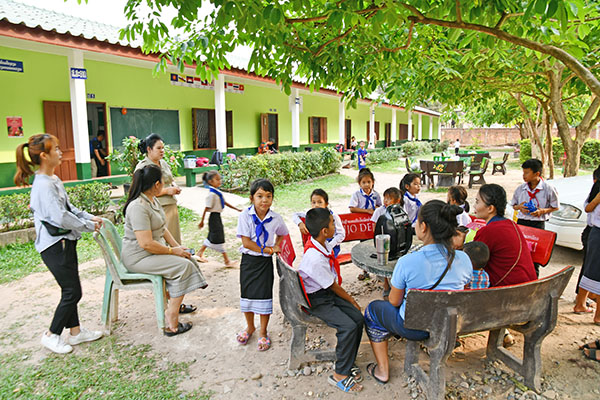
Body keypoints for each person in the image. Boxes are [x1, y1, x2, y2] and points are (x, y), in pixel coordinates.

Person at [363, 200, 472, 384]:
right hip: (450, 327)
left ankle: (382, 371)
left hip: (414, 328)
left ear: (423, 226)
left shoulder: (407, 262)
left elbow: (394, 302)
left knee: (373, 310)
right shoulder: (464, 259)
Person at [15, 133, 104, 354]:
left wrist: (88, 217)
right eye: (55, 148)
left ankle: (75, 333)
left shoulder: (53, 179)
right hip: (55, 245)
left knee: (70, 289)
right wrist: (87, 226)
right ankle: (51, 334)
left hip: (65, 241)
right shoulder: (43, 186)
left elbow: (69, 208)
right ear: (44, 155)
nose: (60, 151)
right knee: (72, 292)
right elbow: (60, 217)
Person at [121, 164, 207, 336]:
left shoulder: (151, 200)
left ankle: (173, 307)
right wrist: (172, 252)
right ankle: (171, 317)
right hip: (138, 257)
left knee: (187, 259)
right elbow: (145, 243)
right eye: (162, 181)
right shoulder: (138, 206)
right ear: (156, 185)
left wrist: (177, 247)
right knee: (184, 267)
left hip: (149, 253)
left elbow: (163, 228)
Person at [298, 208, 364, 393]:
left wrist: (352, 305)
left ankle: (347, 361)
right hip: (316, 299)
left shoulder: (321, 243)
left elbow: (331, 286)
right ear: (324, 231)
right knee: (348, 326)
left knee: (358, 319)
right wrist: (352, 300)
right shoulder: (315, 258)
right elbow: (333, 286)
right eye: (332, 223)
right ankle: (339, 375)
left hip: (325, 292)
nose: (335, 225)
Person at [236, 179, 289, 351]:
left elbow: (283, 233)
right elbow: (246, 242)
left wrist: (276, 246)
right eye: (259, 196)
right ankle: (250, 327)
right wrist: (266, 248)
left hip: (265, 263)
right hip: (249, 262)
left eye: (268, 196)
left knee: (264, 297)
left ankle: (263, 332)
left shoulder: (276, 218)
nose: (264, 200)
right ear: (252, 198)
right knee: (248, 296)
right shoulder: (245, 216)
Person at [473, 184, 536, 287]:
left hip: (508, 291)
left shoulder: (489, 231)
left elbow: (471, 261)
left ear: (490, 208)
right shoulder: (511, 224)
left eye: (477, 202)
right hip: (529, 286)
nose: (474, 206)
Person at [510, 158, 559, 276]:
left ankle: (533, 279)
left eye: (527, 173)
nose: (524, 176)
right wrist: (519, 207)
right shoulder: (521, 189)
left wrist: (542, 211)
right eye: (523, 172)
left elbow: (555, 206)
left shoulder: (548, 189)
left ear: (537, 174)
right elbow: (513, 205)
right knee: (520, 253)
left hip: (537, 226)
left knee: (535, 257)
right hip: (522, 223)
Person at [135, 133, 183, 245]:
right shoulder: (143, 167)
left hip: (171, 204)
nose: (162, 151)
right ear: (149, 149)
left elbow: (170, 179)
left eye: (163, 148)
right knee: (160, 239)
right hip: (156, 207)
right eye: (158, 148)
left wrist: (174, 186)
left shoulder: (164, 163)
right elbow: (142, 191)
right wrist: (166, 191)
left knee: (174, 238)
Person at [196, 171, 241, 267]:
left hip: (217, 217)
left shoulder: (217, 192)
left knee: (212, 236)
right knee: (219, 237)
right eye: (217, 179)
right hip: (214, 218)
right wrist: (202, 221)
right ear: (210, 181)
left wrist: (237, 209)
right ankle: (227, 260)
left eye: (220, 179)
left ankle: (199, 253)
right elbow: (206, 208)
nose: (219, 181)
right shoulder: (211, 195)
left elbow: (225, 202)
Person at [574, 175, 600, 325]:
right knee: (592, 271)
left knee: (589, 270)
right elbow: (588, 207)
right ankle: (597, 316)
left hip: (594, 232)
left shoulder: (595, 188)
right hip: (596, 232)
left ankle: (581, 304)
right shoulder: (597, 192)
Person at [292, 188, 345, 257]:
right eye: (313, 202)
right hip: (316, 244)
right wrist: (300, 223)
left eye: (320, 202)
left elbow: (341, 234)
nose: (316, 205)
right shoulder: (311, 214)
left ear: (326, 204)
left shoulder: (333, 216)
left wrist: (329, 246)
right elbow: (295, 214)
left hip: (331, 246)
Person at [371, 187, 403, 300]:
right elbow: (374, 226)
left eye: (389, 199)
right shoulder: (379, 211)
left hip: (396, 241)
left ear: (397, 201)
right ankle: (385, 286)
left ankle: (396, 285)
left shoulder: (399, 211)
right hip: (382, 240)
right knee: (383, 262)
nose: (385, 201)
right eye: (385, 198)